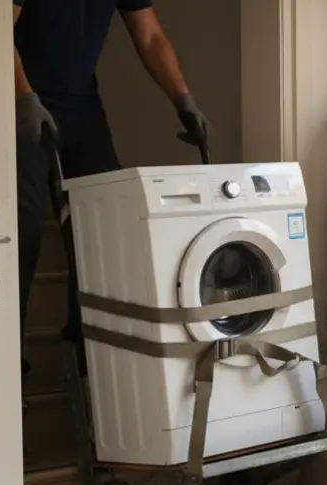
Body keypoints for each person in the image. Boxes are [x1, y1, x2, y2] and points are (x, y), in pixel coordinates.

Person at [13, 0, 209, 376]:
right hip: (25, 99)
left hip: (81, 106)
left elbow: (149, 35)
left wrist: (182, 99)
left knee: (107, 222)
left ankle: (90, 338)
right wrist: (24, 96)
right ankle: (8, 350)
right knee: (25, 222)